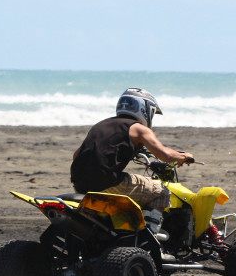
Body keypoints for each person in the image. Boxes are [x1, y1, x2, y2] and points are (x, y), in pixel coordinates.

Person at [70, 88, 193, 232]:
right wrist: (185, 156)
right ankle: (149, 236)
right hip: (107, 181)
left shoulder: (101, 125)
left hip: (79, 183)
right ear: (145, 109)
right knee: (162, 192)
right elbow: (166, 155)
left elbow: (76, 156)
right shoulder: (139, 129)